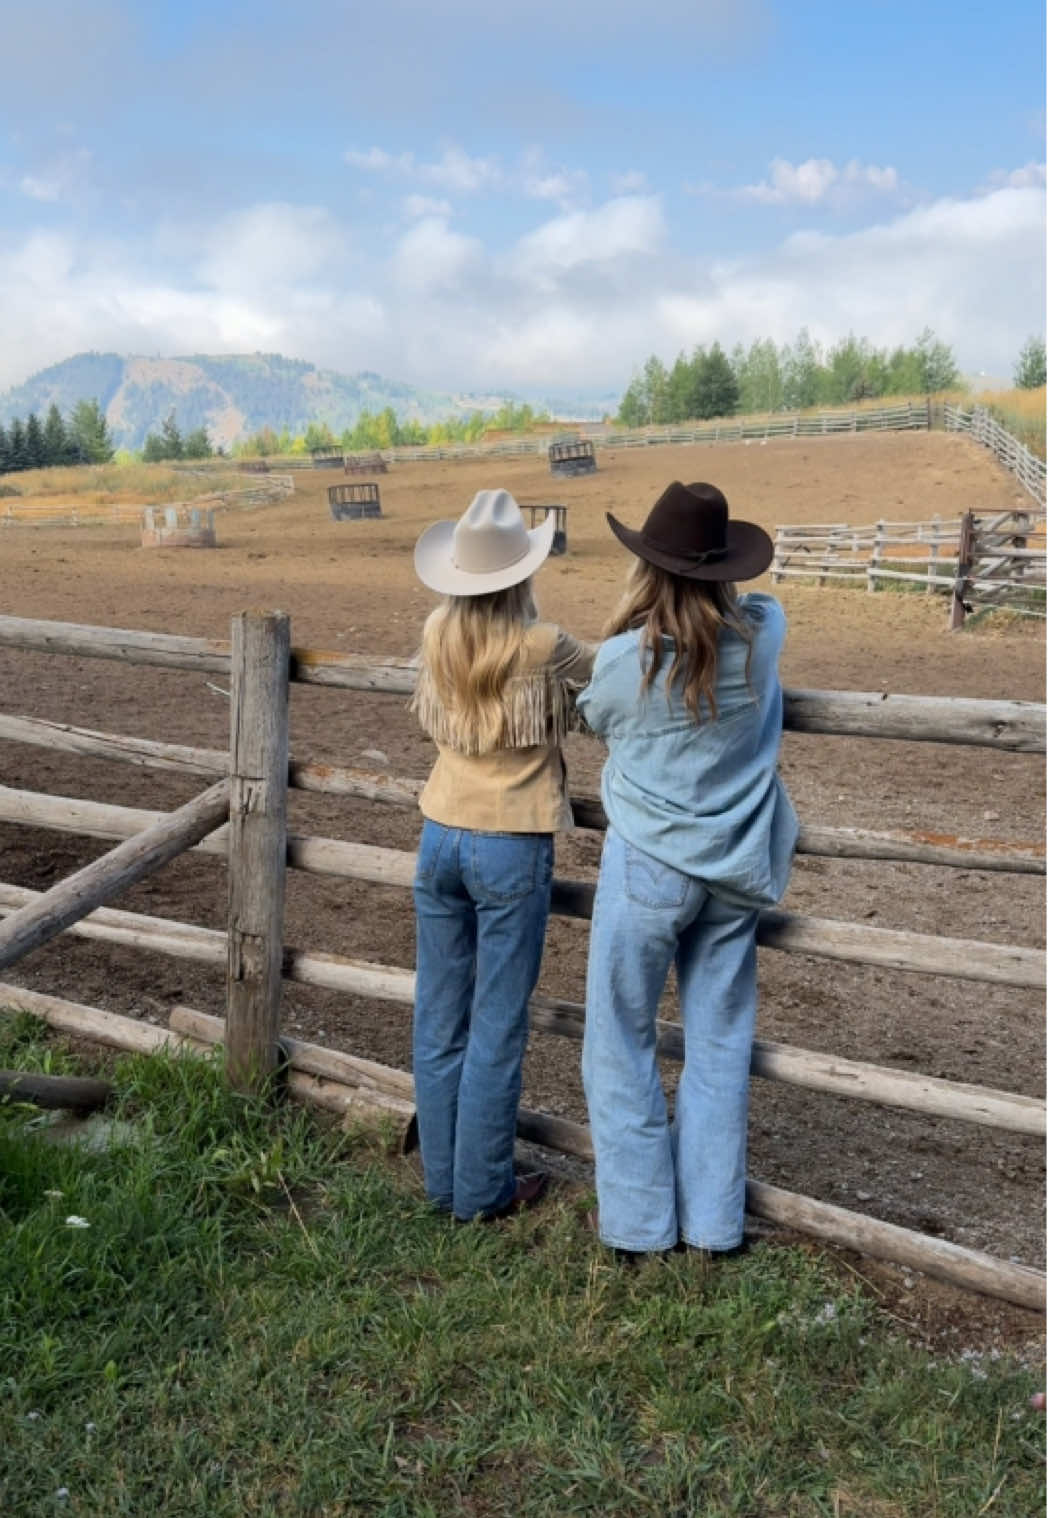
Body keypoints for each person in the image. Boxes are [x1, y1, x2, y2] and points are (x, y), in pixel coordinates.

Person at [577, 480, 798, 1257]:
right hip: (736, 866)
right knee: (719, 1042)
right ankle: (713, 1225)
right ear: (726, 568)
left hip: (649, 862)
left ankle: (638, 1225)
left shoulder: (622, 662)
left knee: (619, 1037)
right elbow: (769, 607)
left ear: (647, 569)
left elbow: (592, 716)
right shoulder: (760, 637)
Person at [410, 488, 594, 1222]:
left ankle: (442, 1182)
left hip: (439, 836)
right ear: (520, 572)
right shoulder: (544, 645)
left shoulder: (436, 633)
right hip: (511, 843)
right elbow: (609, 680)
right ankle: (482, 1192)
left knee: (438, 1017)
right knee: (496, 1024)